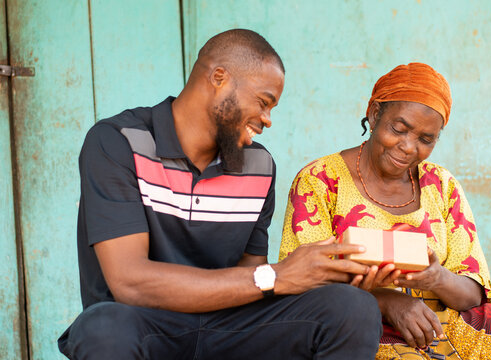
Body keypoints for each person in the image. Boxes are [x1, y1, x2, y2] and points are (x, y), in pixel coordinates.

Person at [57, 29, 384, 360]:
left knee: (351, 309)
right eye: (263, 102)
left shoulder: (259, 164)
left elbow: (252, 279)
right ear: (219, 78)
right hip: (144, 325)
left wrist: (328, 277)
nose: (268, 120)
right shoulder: (118, 142)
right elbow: (130, 282)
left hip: (228, 328)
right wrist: (278, 274)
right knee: (101, 327)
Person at [279, 63, 491, 360]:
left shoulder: (442, 185)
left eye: (425, 140)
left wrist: (436, 277)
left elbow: (472, 295)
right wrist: (387, 301)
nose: (407, 147)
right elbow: (300, 282)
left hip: (447, 328)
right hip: (364, 329)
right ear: (375, 114)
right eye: (398, 129)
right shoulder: (320, 180)